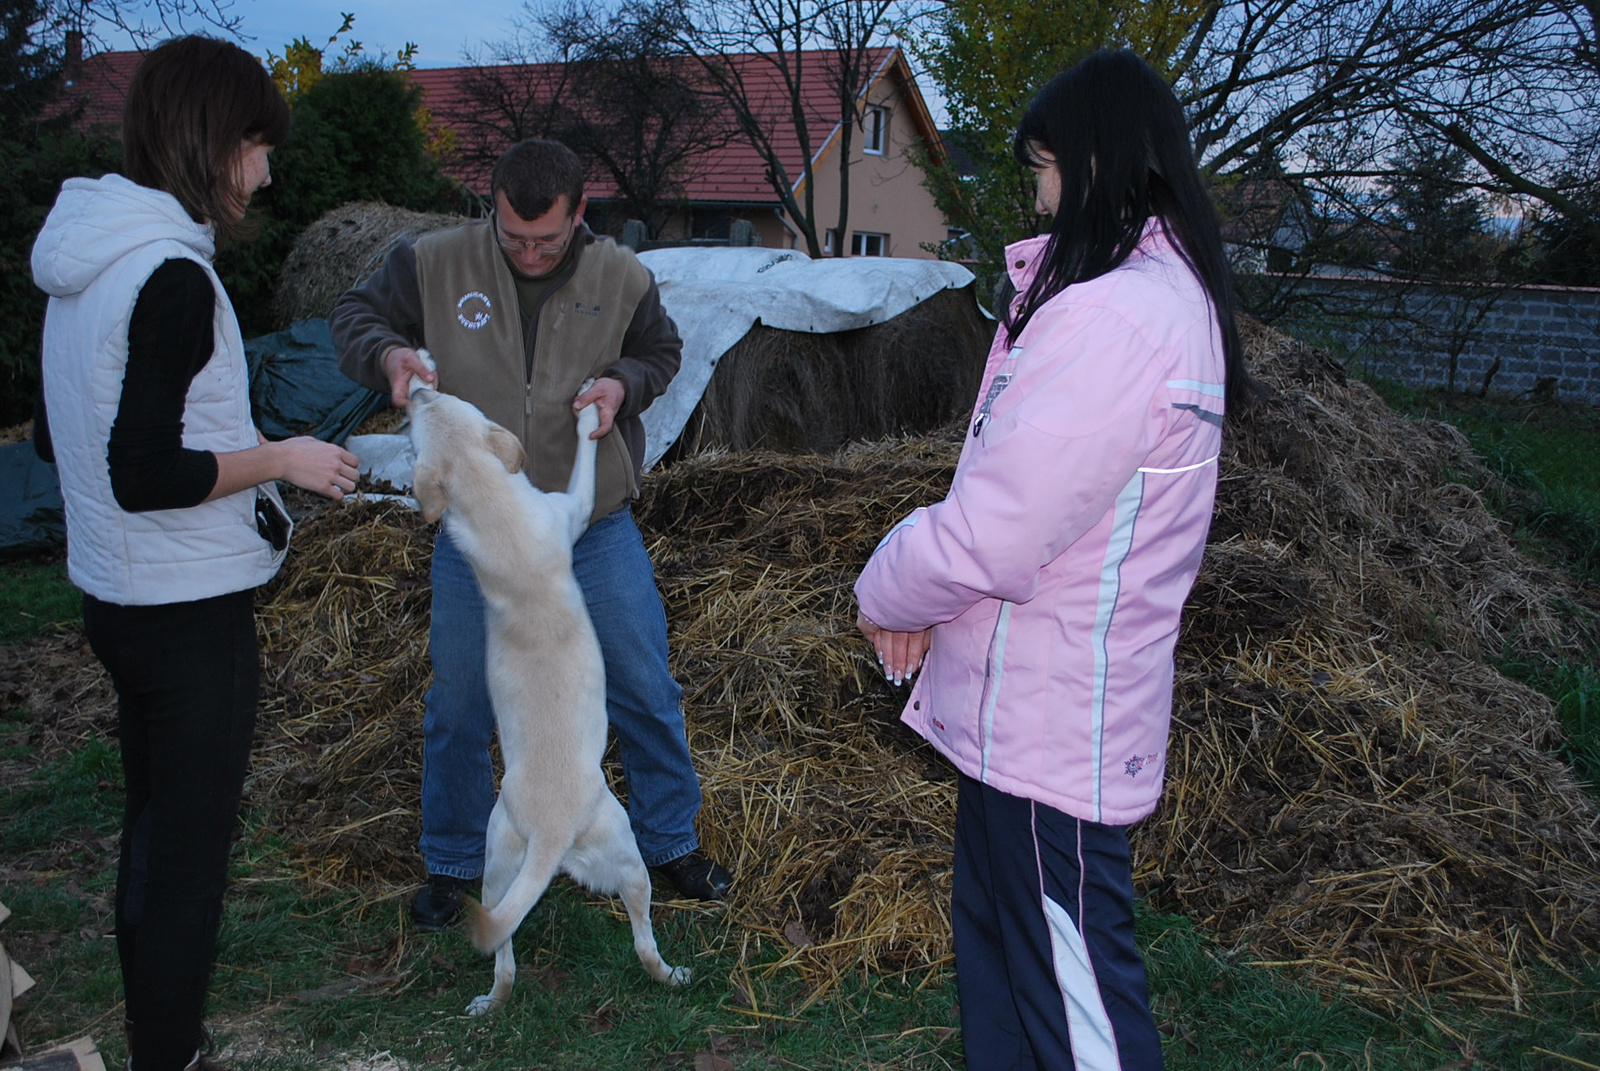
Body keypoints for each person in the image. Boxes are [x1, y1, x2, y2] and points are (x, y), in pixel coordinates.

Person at [854, 50, 1254, 1070]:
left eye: (1040, 170)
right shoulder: (1149, 303)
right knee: (1009, 979)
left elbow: (996, 533)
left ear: (1093, 162)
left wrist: (885, 584)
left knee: (1076, 1009)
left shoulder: (1115, 319)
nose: (1035, 195)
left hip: (1049, 722)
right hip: (1025, 712)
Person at [30, 36, 359, 1071]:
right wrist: (280, 458)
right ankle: (169, 1055)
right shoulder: (168, 275)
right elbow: (144, 471)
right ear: (216, 142)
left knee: (153, 835)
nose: (265, 171)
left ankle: (161, 1041)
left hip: (116, 599)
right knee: (186, 860)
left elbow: (56, 436)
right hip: (183, 612)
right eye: (258, 145)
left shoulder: (88, 262)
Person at [331, 137, 733, 928]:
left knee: (643, 682)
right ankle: (453, 860)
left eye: (547, 239)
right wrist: (390, 356)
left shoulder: (621, 275)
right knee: (460, 696)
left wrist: (624, 383)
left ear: (579, 213)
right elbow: (355, 316)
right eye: (514, 238)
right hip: (483, 538)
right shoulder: (434, 261)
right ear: (493, 209)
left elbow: (662, 351)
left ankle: (667, 841)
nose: (531, 252)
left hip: (592, 525)